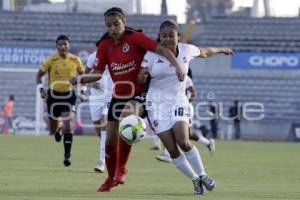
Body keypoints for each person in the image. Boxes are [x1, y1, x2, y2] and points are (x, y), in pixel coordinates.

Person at [72, 7, 185, 192]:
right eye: (109, 25)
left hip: (140, 91)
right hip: (119, 93)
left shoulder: (135, 38)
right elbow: (98, 74)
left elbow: (162, 50)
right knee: (110, 137)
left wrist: (178, 67)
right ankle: (110, 178)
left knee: (128, 119)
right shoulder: (104, 45)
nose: (113, 28)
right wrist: (78, 80)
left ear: (124, 22)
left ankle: (122, 169)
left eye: (116, 24)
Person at [139, 20, 232, 194]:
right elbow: (140, 79)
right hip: (156, 105)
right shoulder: (151, 55)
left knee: (183, 140)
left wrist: (222, 50)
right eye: (164, 35)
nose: (167, 39)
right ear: (159, 37)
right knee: (172, 149)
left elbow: (205, 52)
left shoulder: (186, 50)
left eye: (171, 35)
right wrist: (143, 75)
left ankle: (203, 174)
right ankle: (195, 179)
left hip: (178, 101)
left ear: (178, 37)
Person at [36, 35, 85, 167]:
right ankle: (57, 131)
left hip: (68, 95)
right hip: (53, 96)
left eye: (65, 44)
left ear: (69, 45)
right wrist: (41, 90)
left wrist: (82, 91)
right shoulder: (51, 60)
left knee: (68, 124)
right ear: (57, 46)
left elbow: (83, 75)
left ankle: (67, 155)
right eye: (60, 44)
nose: (63, 46)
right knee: (53, 127)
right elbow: (39, 75)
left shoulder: (76, 60)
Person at [155, 75, 215, 163]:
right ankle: (208, 143)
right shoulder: (169, 77)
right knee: (189, 134)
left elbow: (193, 94)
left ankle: (168, 155)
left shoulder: (185, 77)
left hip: (184, 107)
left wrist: (184, 103)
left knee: (174, 129)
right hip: (174, 107)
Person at [85, 48, 113, 173]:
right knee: (98, 130)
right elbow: (84, 75)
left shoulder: (116, 55)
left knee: (104, 124)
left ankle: (102, 161)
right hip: (95, 96)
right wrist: (90, 83)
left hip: (110, 95)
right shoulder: (93, 57)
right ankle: (109, 149)